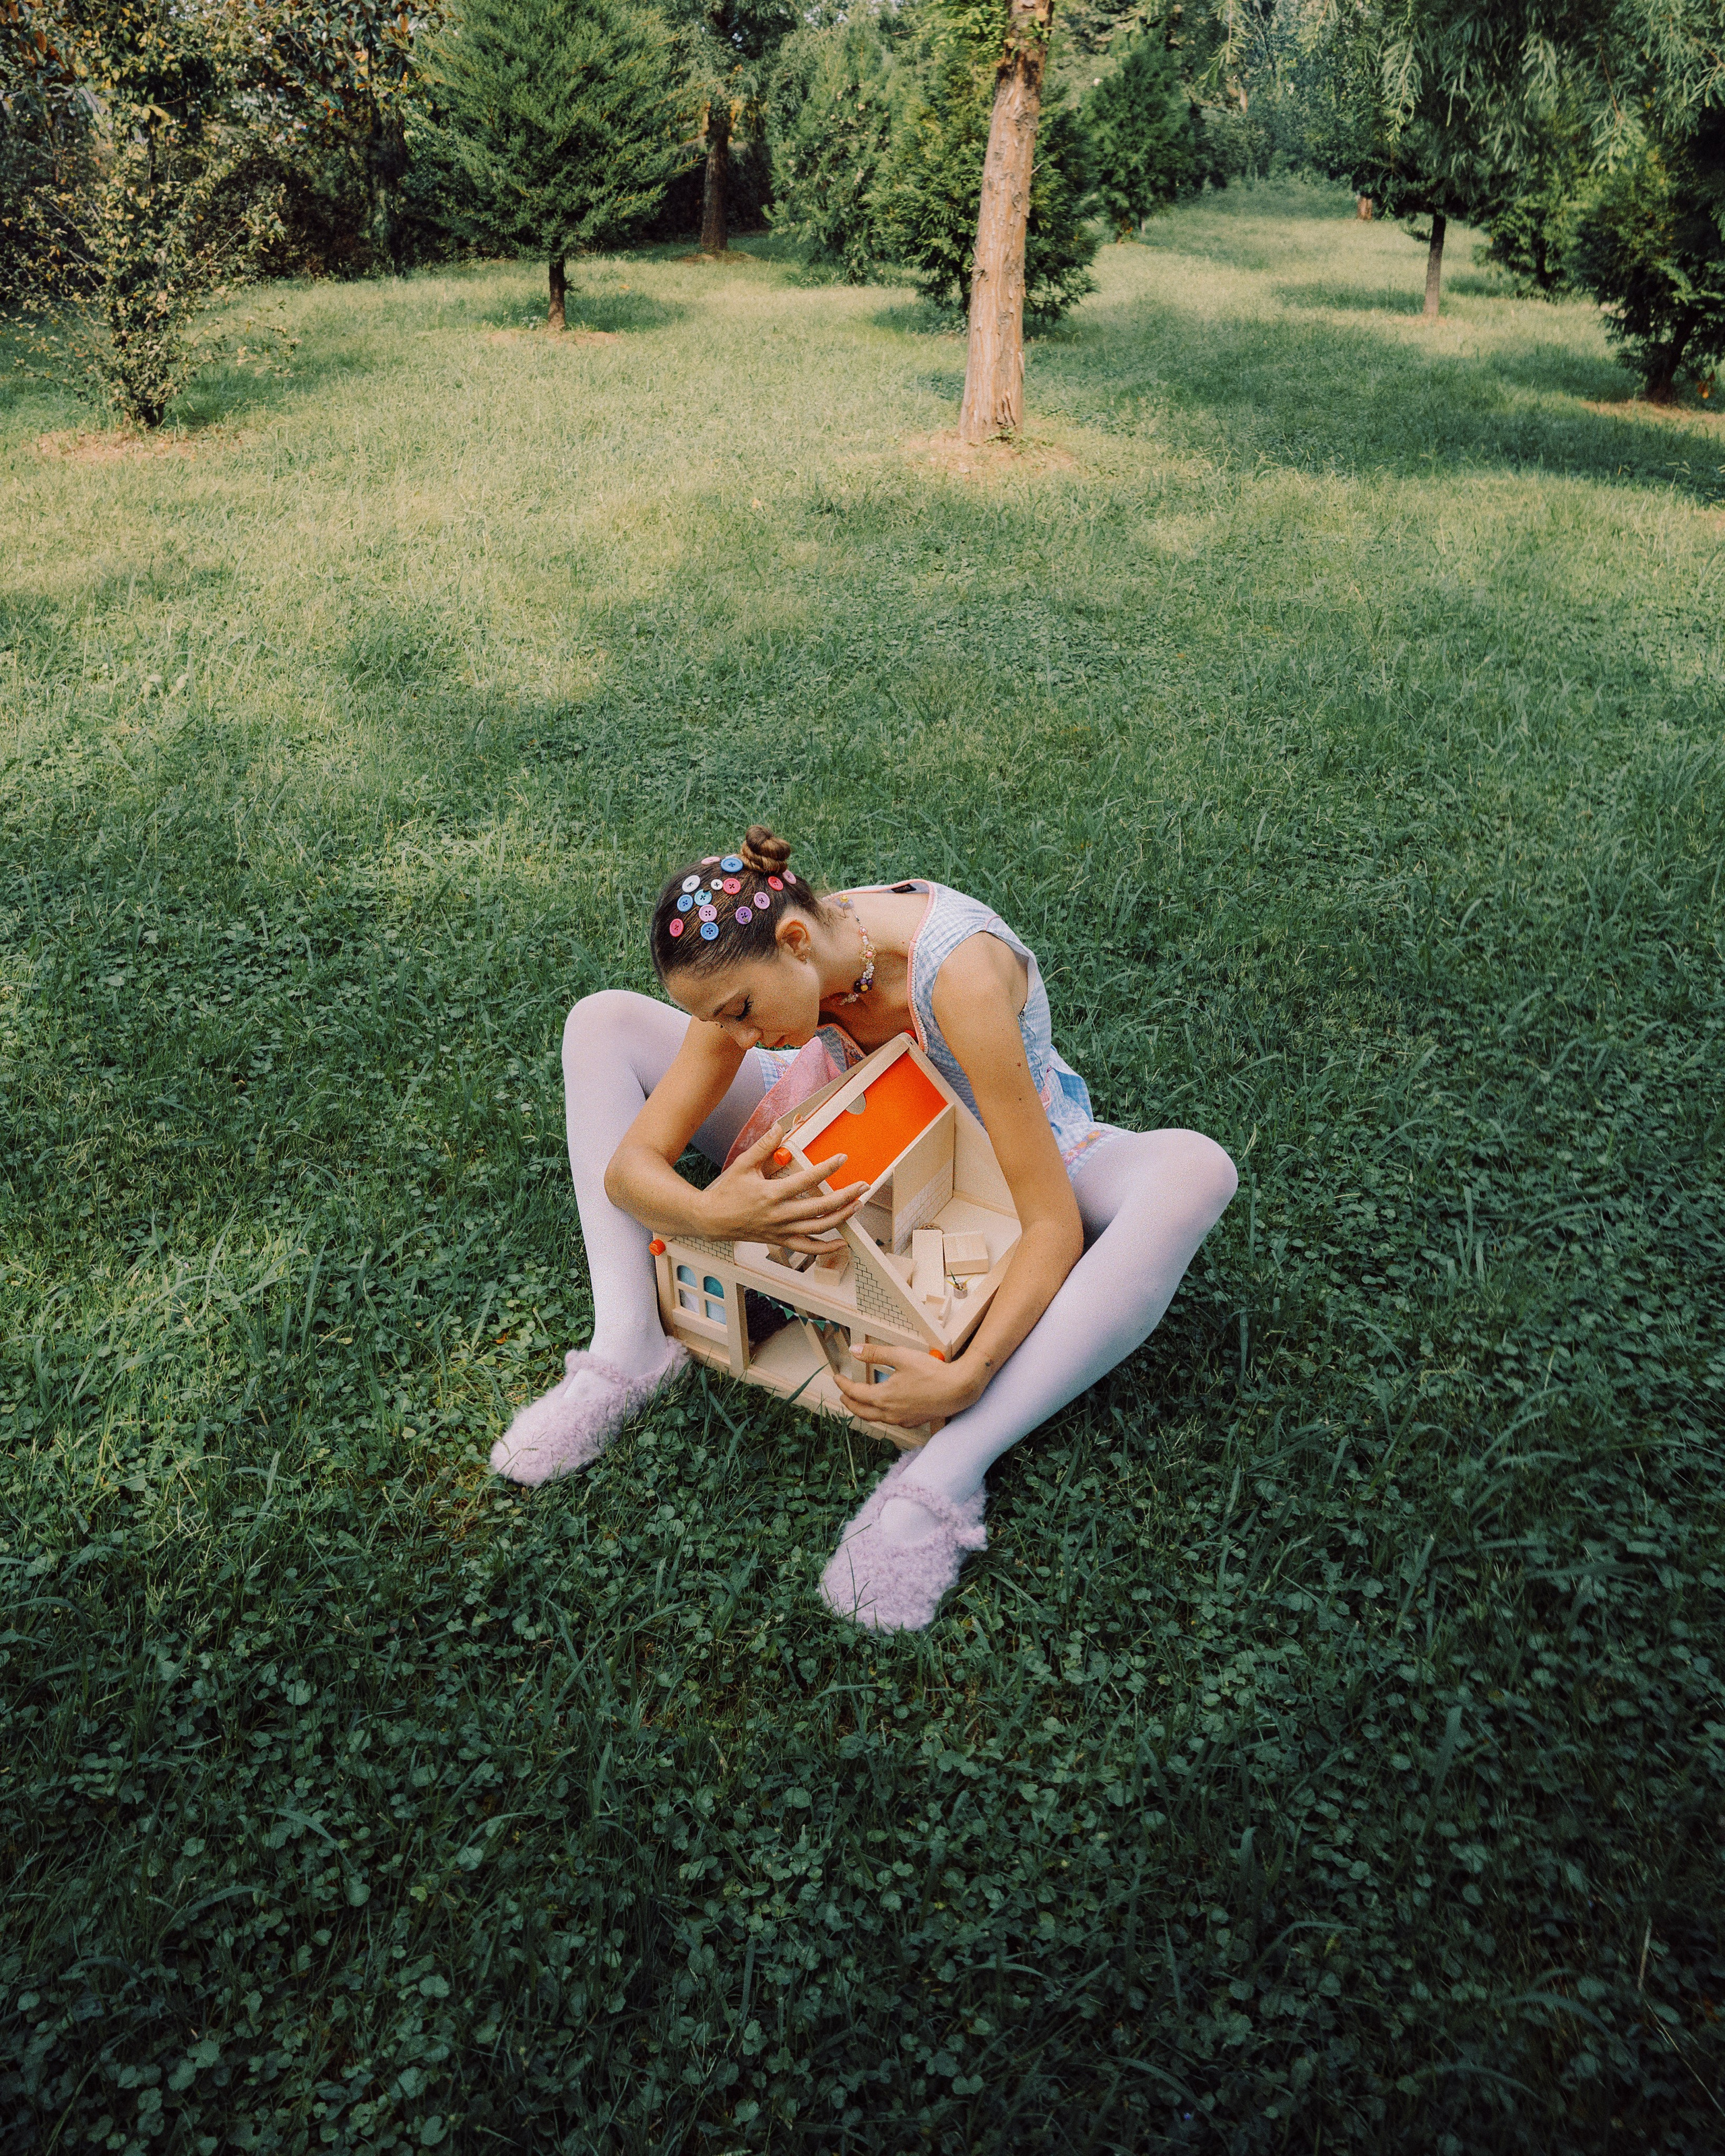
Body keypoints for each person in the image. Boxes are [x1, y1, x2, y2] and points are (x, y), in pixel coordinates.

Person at [492, 826, 1237, 1632]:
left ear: (797, 939)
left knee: (1196, 1171)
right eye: (720, 1020)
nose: (734, 1037)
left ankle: (944, 1474)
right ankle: (626, 1348)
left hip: (1020, 1150)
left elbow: (1050, 1221)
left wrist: (970, 1373)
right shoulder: (755, 966)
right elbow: (631, 1167)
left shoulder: (958, 973)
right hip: (832, 1113)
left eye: (741, 1012)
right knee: (599, 1020)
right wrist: (714, 1211)